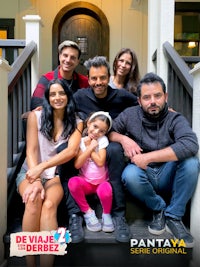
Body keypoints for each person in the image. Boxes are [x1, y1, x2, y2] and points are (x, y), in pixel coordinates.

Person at [109, 72, 200, 248]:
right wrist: (123, 139)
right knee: (129, 174)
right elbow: (109, 130)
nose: (152, 101)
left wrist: (147, 157)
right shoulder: (130, 115)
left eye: (157, 96)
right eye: (147, 97)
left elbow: (190, 144)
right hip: (143, 175)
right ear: (139, 101)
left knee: (191, 163)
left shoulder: (175, 118)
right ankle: (158, 209)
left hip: (168, 173)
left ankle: (174, 216)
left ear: (165, 97)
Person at [16, 79, 83, 267]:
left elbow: (71, 151)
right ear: (47, 98)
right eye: (52, 94)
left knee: (49, 205)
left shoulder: (77, 122)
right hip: (30, 172)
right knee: (33, 199)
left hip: (55, 175)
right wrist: (36, 177)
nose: (57, 97)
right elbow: (31, 151)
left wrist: (43, 168)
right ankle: (30, 263)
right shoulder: (35, 117)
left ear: (68, 96)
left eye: (61, 93)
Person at [72, 56, 139, 242]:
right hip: (87, 146)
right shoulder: (80, 96)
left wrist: (167, 108)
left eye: (102, 77)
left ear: (109, 76)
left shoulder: (121, 96)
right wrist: (39, 109)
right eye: (94, 78)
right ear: (89, 78)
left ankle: (118, 215)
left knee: (116, 150)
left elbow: (140, 104)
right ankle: (75, 216)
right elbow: (61, 106)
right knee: (68, 149)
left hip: (111, 145)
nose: (98, 82)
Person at [68, 111, 114, 233]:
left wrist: (92, 148)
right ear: (88, 123)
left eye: (102, 131)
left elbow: (100, 162)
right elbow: (77, 164)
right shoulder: (81, 141)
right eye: (95, 127)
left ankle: (106, 214)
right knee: (73, 182)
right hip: (86, 182)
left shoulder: (102, 140)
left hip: (101, 183)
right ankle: (88, 212)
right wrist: (89, 147)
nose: (96, 132)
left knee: (107, 191)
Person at [31, 40, 89, 110]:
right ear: (59, 57)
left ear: (77, 62)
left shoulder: (84, 81)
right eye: (65, 55)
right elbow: (36, 105)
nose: (68, 60)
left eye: (73, 58)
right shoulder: (47, 79)